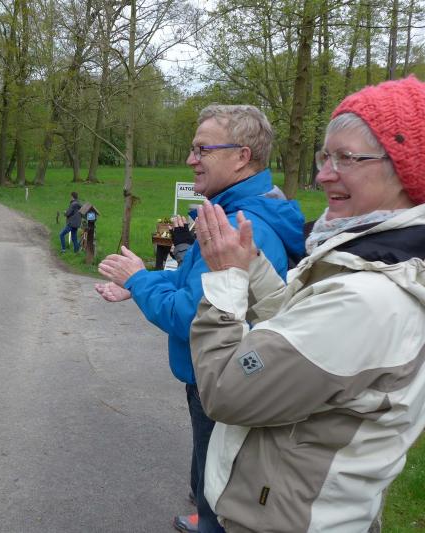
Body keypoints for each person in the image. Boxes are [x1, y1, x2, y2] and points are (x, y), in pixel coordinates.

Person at [189, 76, 425, 532]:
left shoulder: (369, 300)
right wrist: (252, 267)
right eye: (325, 156)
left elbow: (227, 391)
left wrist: (225, 280)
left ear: (405, 169)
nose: (324, 174)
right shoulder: (379, 261)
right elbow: (299, 328)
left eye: (347, 158)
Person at [96, 105, 305, 533]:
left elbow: (193, 318)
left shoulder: (241, 225)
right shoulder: (232, 213)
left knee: (218, 499)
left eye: (202, 149)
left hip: (225, 382)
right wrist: (141, 282)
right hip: (216, 376)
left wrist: (138, 279)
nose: (191, 159)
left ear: (242, 156)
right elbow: (194, 285)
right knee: (210, 482)